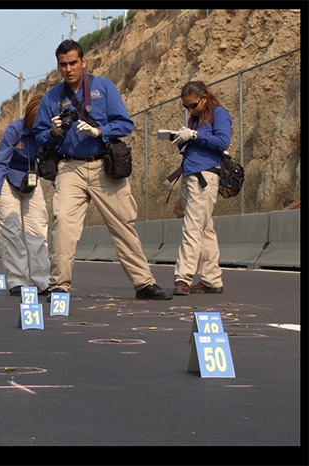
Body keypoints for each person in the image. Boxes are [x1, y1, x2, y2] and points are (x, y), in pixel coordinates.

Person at [33, 39, 172, 301]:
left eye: (73, 62)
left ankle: (144, 284)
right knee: (63, 225)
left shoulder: (104, 88)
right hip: (70, 167)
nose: (69, 69)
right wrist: (53, 131)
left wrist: (99, 131)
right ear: (58, 67)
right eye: (63, 65)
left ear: (83, 62)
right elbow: (39, 136)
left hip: (103, 166)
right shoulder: (52, 97)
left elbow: (125, 124)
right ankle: (59, 286)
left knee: (123, 224)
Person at [172, 81, 232, 295]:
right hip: (190, 174)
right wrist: (181, 137)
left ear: (204, 98)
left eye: (193, 105)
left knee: (192, 228)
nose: (190, 110)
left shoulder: (219, 114)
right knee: (205, 229)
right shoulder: (195, 119)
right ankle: (212, 279)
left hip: (205, 176)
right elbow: (192, 144)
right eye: (186, 107)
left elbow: (223, 142)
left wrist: (196, 135)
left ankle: (183, 277)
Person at [0, 94, 50, 296]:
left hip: (32, 182)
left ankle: (42, 281)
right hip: (9, 181)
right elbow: (1, 163)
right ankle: (17, 280)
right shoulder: (15, 129)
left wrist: (59, 187)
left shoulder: (48, 133)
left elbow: (54, 162)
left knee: (37, 231)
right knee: (11, 229)